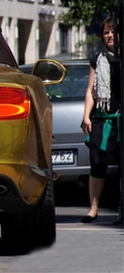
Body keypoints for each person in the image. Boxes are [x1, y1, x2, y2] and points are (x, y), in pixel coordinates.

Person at [80, 16, 121, 223]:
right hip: (102, 118)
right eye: (106, 32)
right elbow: (90, 91)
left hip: (120, 119)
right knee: (97, 164)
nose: (110, 35)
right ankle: (93, 209)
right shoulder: (97, 59)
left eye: (113, 31)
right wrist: (86, 116)